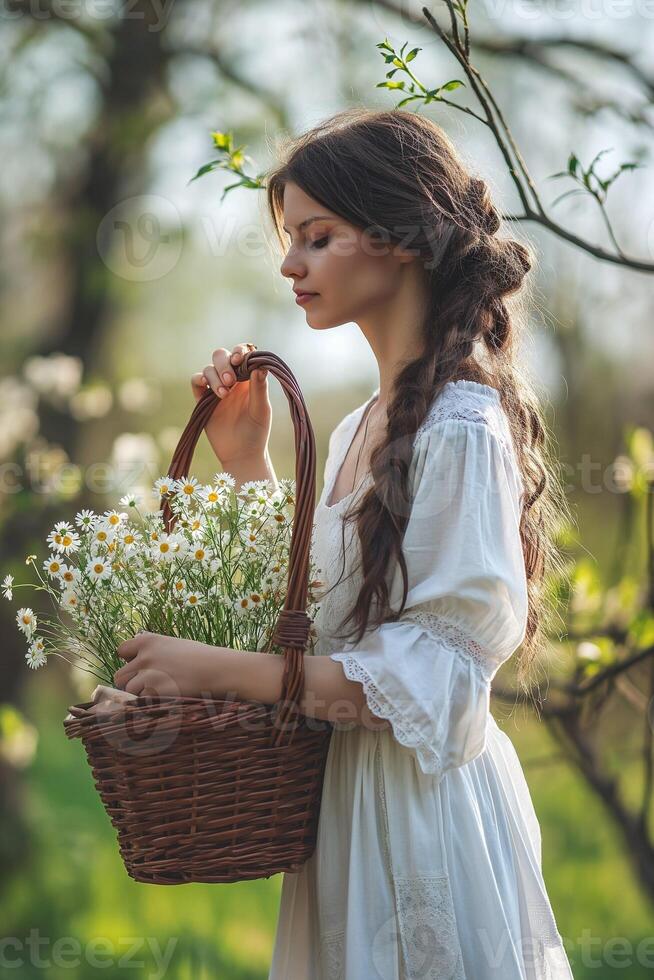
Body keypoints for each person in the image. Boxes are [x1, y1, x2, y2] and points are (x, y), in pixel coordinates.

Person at [115, 107, 575, 978]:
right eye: (290, 238)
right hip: (349, 816)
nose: (289, 264)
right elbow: (323, 618)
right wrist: (246, 457)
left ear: (400, 238)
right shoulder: (366, 422)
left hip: (421, 825)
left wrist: (210, 669)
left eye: (316, 237)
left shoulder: (462, 428)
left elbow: (430, 688)